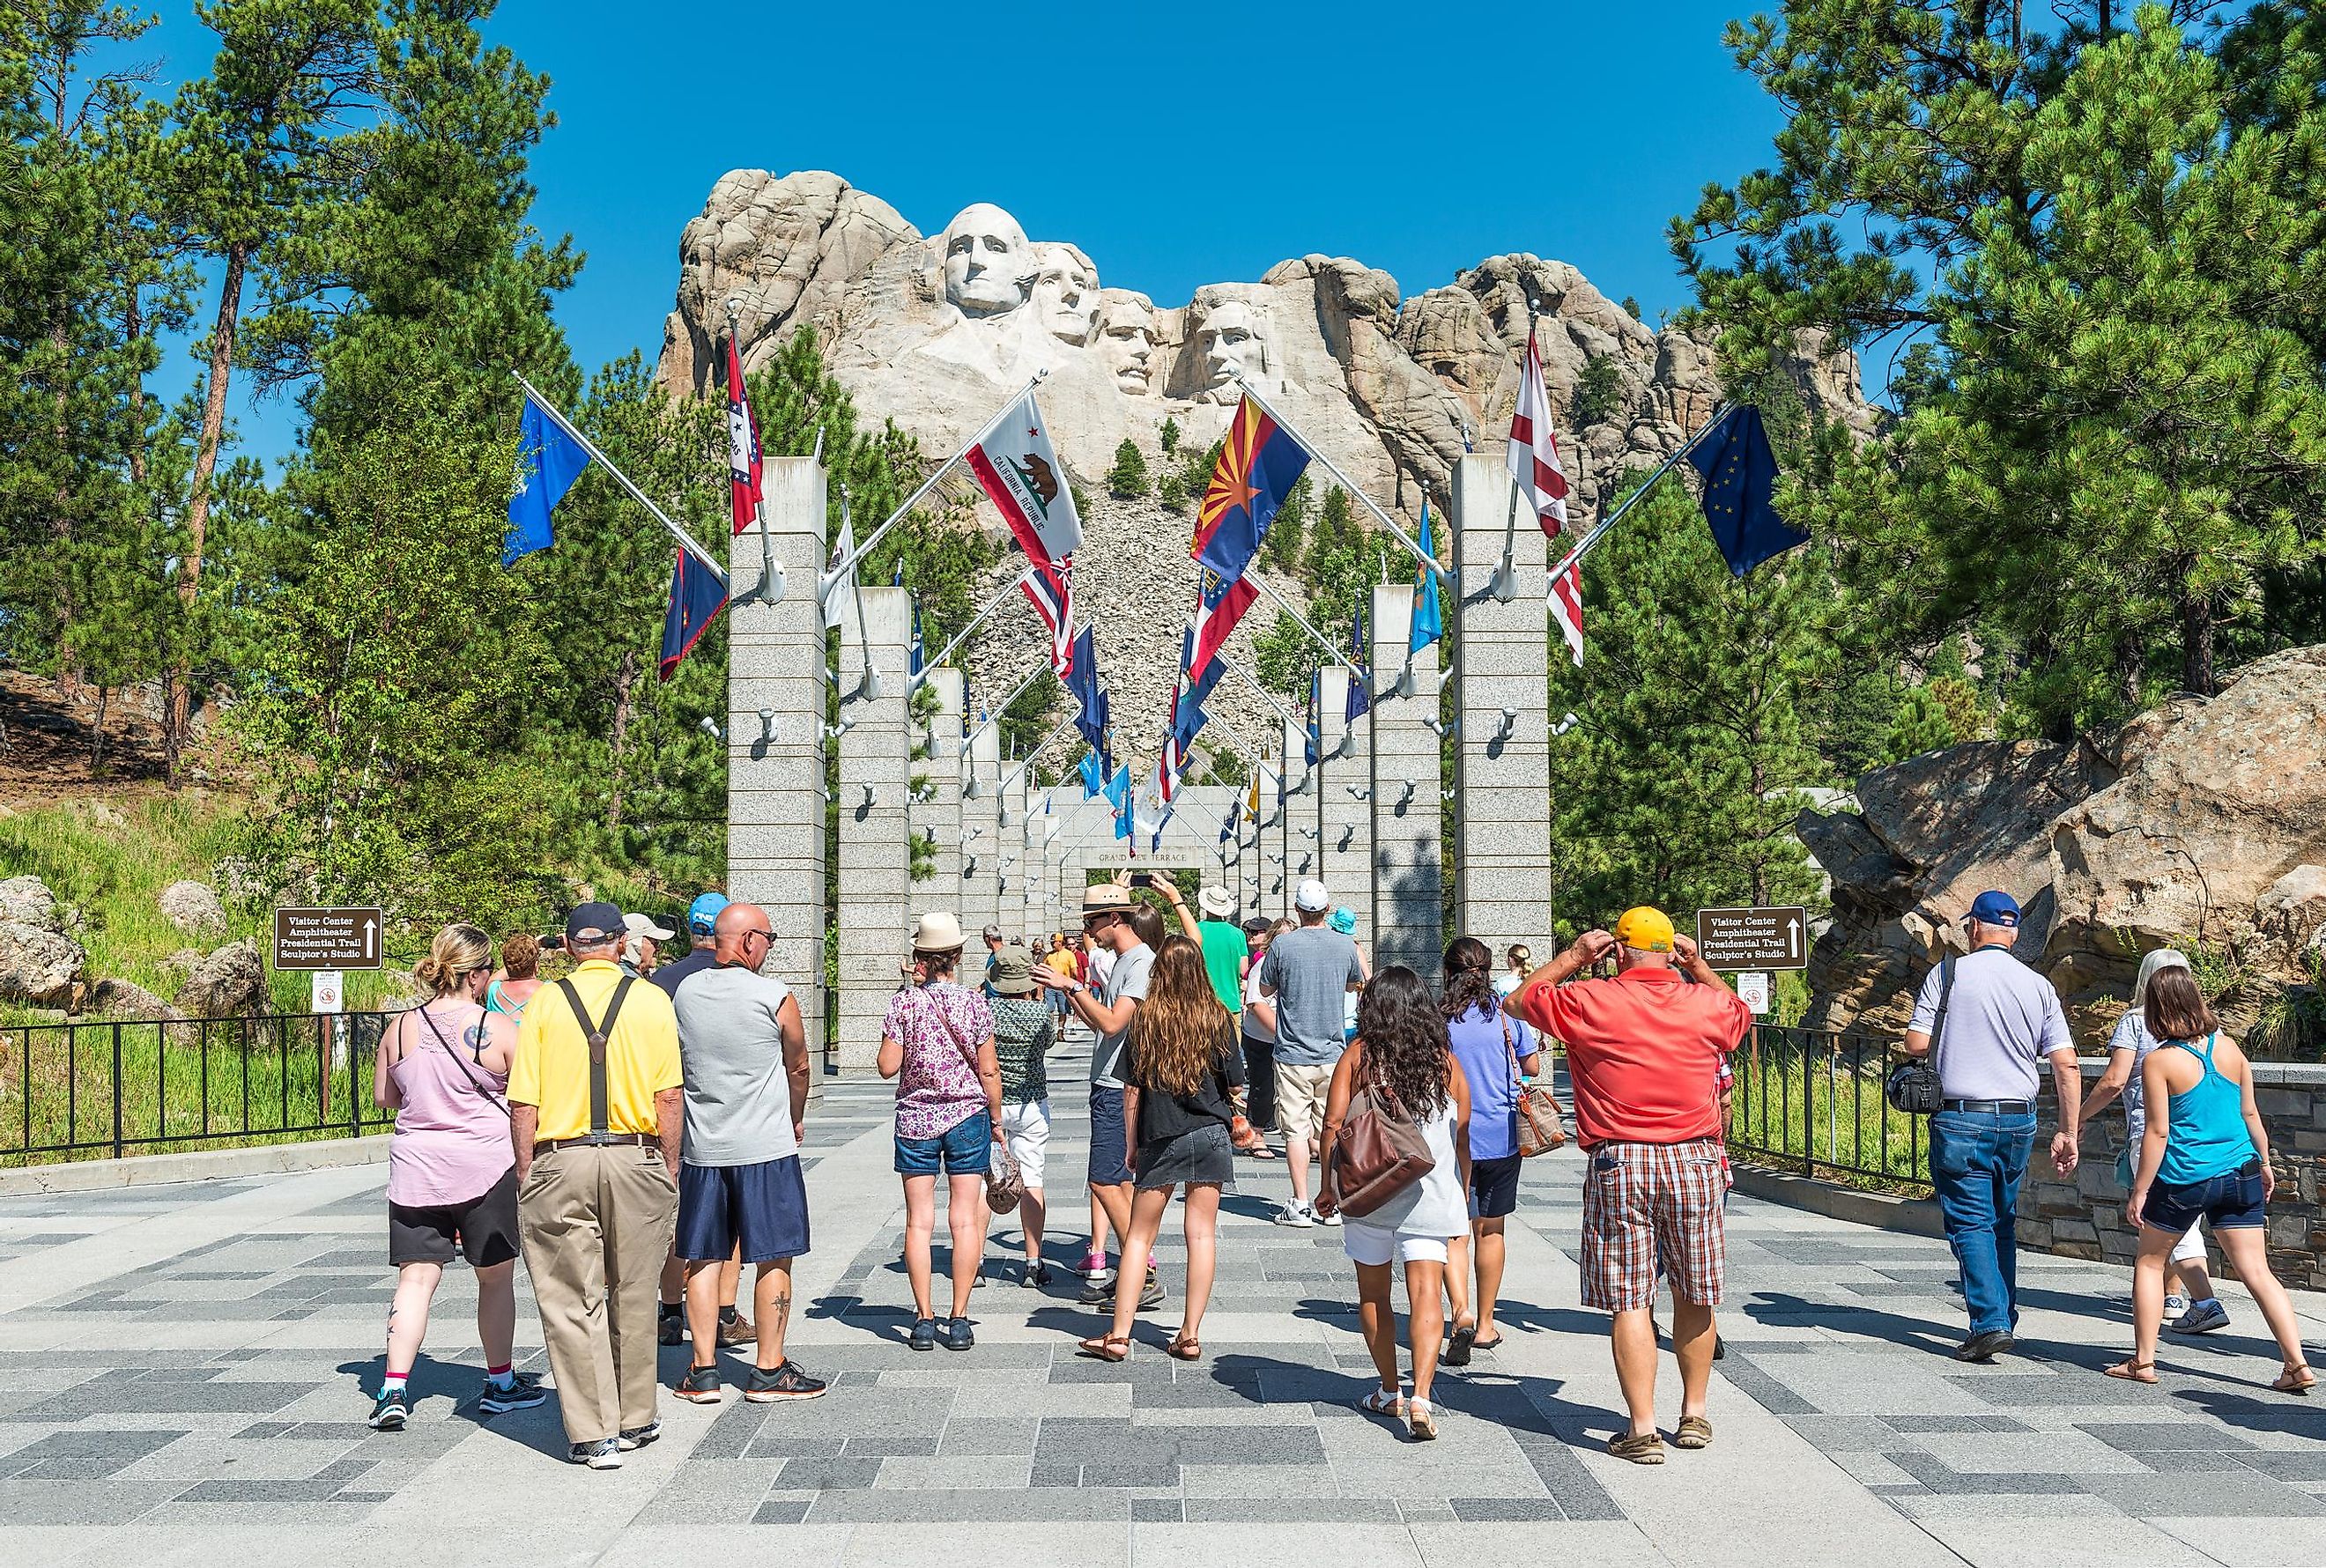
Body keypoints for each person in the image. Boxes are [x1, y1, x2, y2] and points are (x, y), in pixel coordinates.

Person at [1508, 908, 1752, 1464]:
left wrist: (1573, 958)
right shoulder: (1705, 1003)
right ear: (1670, 950)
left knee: (1631, 1298)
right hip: (1696, 1160)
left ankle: (1642, 1428)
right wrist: (1701, 967)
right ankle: (1693, 1414)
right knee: (1696, 1290)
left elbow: (1520, 1002)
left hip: (1622, 1161)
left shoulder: (1592, 999)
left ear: (1618, 950)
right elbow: (1739, 1019)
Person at [508, 902, 685, 1469]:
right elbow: (668, 1099)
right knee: (635, 1290)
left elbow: (523, 1102)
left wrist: (525, 1172)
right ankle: (636, 1416)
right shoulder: (653, 1001)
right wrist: (670, 1168)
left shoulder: (544, 1004)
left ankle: (592, 1432)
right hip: (637, 1157)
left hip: (562, 1158)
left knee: (569, 1297)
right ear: (621, 943)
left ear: (568, 947)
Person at [367, 923, 544, 1431]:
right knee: (494, 1277)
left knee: (416, 1279)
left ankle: (394, 1387)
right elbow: (525, 1101)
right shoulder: (500, 1031)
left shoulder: (399, 1028)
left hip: (417, 1170)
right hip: (485, 1168)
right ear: (479, 975)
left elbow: (385, 1097)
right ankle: (500, 1381)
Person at [2107, 967, 2315, 1394]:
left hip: (2185, 1177)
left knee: (2149, 1262)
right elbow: (2250, 1114)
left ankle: (2143, 1361)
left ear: (2157, 1009)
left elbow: (2158, 1131)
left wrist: (2141, 1190)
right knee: (2258, 1270)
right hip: (2240, 1171)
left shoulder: (2160, 1060)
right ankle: (2296, 1364)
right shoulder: (2231, 1050)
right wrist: (2265, 1162)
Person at [1900, 889, 2081, 1364]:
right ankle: (2004, 1314)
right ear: (2014, 931)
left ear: (1973, 928)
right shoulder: (2038, 985)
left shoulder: (1949, 973)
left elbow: (1917, 1043)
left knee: (1971, 1221)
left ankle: (1990, 1323)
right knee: (2002, 1219)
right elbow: (2066, 1063)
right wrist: (2069, 1130)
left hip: (1963, 1118)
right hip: (2018, 1120)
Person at [667, 902, 825, 1405]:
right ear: (750, 940)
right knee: (773, 1256)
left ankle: (704, 1369)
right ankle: (769, 1369)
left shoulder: (686, 993)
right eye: (771, 940)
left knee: (703, 1256)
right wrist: (795, 1114)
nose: (770, 950)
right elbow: (798, 1066)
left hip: (704, 1147)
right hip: (765, 1148)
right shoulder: (774, 995)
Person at [1315, 966, 1471, 1442]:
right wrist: (1462, 1184)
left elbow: (1332, 1124)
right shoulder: (1443, 1060)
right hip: (1431, 1191)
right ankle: (1422, 1397)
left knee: (1374, 1294)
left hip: (1372, 1191)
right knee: (1426, 1294)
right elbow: (1462, 1125)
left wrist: (1327, 1185)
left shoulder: (1358, 1056)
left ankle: (1389, 1390)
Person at [1077, 935, 1243, 1364]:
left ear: (1160, 973)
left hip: (1159, 1134)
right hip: (1210, 1133)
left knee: (1138, 1237)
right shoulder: (1218, 1018)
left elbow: (1131, 1090)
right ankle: (1189, 1335)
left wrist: (1131, 1144)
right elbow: (1237, 1083)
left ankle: (1118, 1335)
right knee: (1201, 1235)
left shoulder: (1147, 1020)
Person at [2077, 950, 2229, 1335]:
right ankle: (2174, 1297)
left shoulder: (2134, 1020)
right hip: (2202, 1133)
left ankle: (2205, 1300)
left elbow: (2114, 1080)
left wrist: (2076, 1117)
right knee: (2183, 1219)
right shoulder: (2208, 1027)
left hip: (2152, 1131)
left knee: (2166, 1218)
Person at [1032, 883, 1165, 1314]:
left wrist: (1071, 985)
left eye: (1091, 922)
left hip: (1118, 1086)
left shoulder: (1141, 963)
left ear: (1114, 918)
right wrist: (1073, 990)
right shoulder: (1127, 961)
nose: (1088, 931)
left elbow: (1111, 1024)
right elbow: (1101, 1026)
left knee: (1103, 1181)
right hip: (1108, 1080)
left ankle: (1140, 1272)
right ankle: (1135, 1273)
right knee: (1118, 1182)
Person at [878, 912, 1004, 1352]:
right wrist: (997, 1120)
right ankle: (960, 1317)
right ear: (957, 956)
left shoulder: (904, 1004)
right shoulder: (975, 1003)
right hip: (968, 1115)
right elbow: (988, 1068)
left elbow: (886, 1067)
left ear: (920, 958)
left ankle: (924, 1319)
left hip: (915, 1119)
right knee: (965, 1218)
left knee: (919, 1221)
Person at [1438, 936, 1548, 1365]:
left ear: (1449, 973)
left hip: (1453, 1134)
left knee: (1454, 1229)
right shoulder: (1506, 1017)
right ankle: (1486, 1324)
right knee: (1492, 1228)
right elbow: (1532, 1066)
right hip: (1502, 1132)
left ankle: (1459, 1312)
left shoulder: (1438, 1020)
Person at [652, 891, 748, 1349]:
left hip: (669, 1112)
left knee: (679, 1217)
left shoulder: (660, 982)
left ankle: (670, 1311)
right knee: (728, 1220)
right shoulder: (738, 978)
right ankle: (725, 1313)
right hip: (728, 1116)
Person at [1258, 879, 1368, 1227]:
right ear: (1327, 910)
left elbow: (1264, 987)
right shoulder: (1345, 945)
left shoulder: (1283, 945)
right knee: (1330, 1127)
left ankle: (1301, 1203)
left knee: (1294, 1130)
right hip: (1334, 1051)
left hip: (1292, 1051)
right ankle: (1331, 1201)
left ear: (1296, 910)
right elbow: (1357, 982)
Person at [987, 942, 1058, 1287]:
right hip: (1031, 1105)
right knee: (1033, 1180)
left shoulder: (984, 1011)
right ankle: (1033, 1262)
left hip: (991, 1105)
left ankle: (974, 1262)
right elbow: (1048, 1045)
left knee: (982, 1180)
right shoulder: (1041, 1013)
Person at [1236, 917, 1284, 1159]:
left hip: (1286, 1039)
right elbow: (1255, 1002)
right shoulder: (1263, 964)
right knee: (1262, 1088)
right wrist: (1283, 1031)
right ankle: (1257, 1136)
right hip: (1261, 1038)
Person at [484, 934, 544, 1020]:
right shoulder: (550, 990)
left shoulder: (493, 990)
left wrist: (516, 960)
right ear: (536, 966)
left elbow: (493, 978)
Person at [620, 912, 673, 978]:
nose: (658, 949)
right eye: (654, 943)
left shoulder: (643, 976)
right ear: (634, 944)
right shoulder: (629, 981)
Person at [981, 923, 1006, 995]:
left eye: (984, 938)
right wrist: (981, 987)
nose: (984, 941)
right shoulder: (993, 954)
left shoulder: (1005, 954)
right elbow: (994, 977)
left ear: (989, 938)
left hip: (1001, 1001)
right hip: (991, 1000)